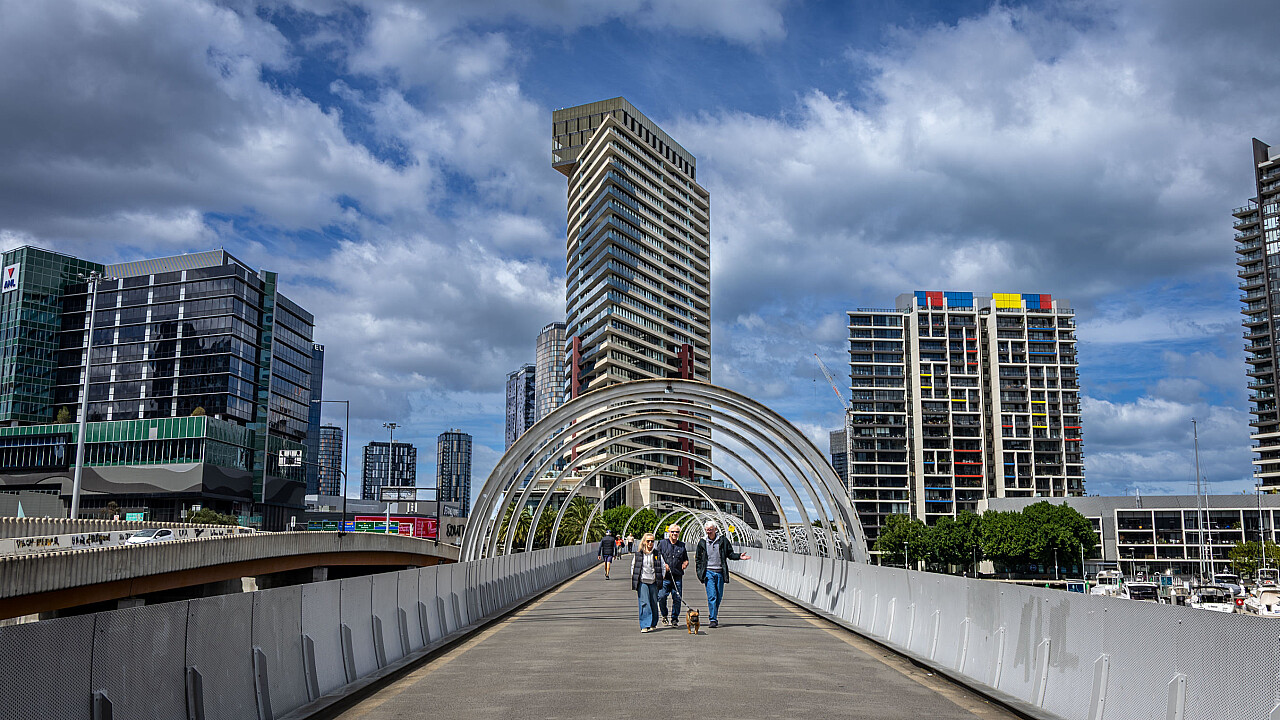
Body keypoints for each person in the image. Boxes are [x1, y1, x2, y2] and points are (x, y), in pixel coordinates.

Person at [695, 520, 750, 628]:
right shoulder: (702, 542)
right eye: (707, 530)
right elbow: (698, 559)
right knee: (712, 596)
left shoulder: (723, 541)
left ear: (715, 529)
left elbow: (729, 554)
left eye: (710, 530)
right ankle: (713, 619)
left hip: (720, 572)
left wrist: (739, 556)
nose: (709, 532)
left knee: (719, 596)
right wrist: (699, 572)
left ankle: (713, 613)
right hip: (708, 572)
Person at [631, 532, 667, 632]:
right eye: (648, 541)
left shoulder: (657, 554)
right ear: (644, 542)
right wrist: (635, 578)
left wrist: (662, 577)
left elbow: (663, 566)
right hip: (642, 581)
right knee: (644, 603)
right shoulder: (639, 554)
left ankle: (653, 622)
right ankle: (644, 625)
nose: (650, 543)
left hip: (654, 581)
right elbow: (633, 566)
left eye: (652, 541)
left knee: (653, 602)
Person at [656, 524, 688, 627]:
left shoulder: (682, 545)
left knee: (677, 598)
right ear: (669, 532)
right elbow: (656, 556)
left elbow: (685, 559)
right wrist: (663, 564)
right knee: (661, 597)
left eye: (677, 532)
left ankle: (675, 619)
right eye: (672, 532)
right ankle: (664, 615)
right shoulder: (662, 543)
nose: (674, 534)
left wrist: (685, 563)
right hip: (665, 577)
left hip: (677, 576)